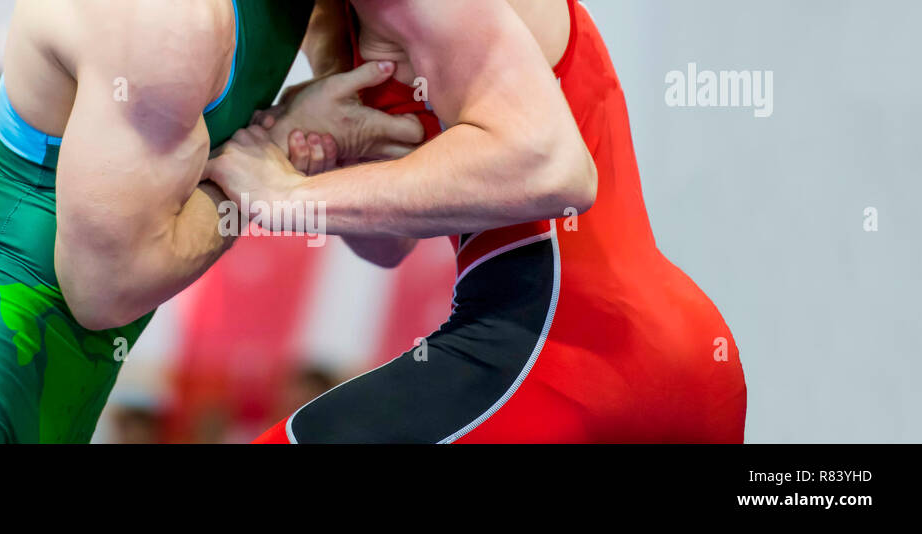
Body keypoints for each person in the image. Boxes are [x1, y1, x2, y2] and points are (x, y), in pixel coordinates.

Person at [0, 0, 420, 443]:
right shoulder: (166, 19)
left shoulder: (314, 12)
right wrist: (282, 150)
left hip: (64, 373)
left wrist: (334, 138)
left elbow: (389, 241)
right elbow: (104, 289)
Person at [207, 0, 748, 443]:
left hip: (563, 349)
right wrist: (335, 157)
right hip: (652, 352)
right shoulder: (336, 22)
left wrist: (290, 196)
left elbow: (557, 170)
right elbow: (389, 246)